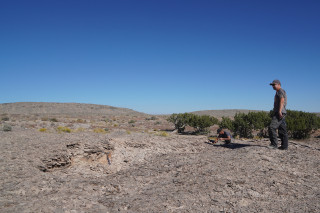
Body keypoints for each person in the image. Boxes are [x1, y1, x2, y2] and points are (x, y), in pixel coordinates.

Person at [269, 79, 288, 150]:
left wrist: (279, 111)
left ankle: (274, 144)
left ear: (279, 84)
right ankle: (284, 146)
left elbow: (282, 100)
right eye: (272, 85)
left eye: (274, 85)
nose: (273, 86)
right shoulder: (278, 92)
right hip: (281, 112)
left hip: (280, 112)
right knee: (282, 129)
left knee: (271, 127)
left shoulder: (280, 91)